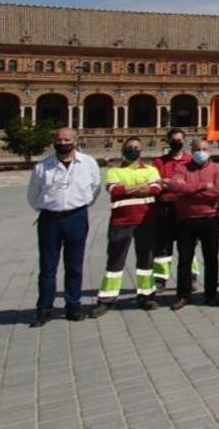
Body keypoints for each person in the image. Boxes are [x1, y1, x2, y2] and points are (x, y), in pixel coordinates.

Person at [26, 127, 100, 327]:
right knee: (48, 267)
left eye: (67, 139)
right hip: (50, 219)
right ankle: (44, 310)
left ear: (76, 141)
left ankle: (73, 306)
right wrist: (50, 207)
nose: (63, 143)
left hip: (76, 216)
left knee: (74, 265)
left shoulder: (88, 163)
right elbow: (33, 195)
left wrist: (78, 205)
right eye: (59, 139)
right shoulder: (43, 166)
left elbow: (95, 188)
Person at [91, 136, 160, 318]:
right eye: (130, 147)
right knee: (115, 261)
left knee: (146, 261)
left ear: (141, 150)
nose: (133, 150)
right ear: (123, 149)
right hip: (121, 222)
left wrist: (128, 188)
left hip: (146, 221)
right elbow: (114, 190)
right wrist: (140, 186)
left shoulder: (151, 169)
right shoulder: (114, 171)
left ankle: (146, 295)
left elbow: (154, 189)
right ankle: (106, 299)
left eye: (136, 147)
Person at [168, 137, 219, 310]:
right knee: (184, 260)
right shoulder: (182, 167)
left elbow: (217, 192)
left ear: (209, 150)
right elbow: (176, 187)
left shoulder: (217, 169)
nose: (200, 152)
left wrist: (190, 190)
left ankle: (211, 295)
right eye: (197, 149)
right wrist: (203, 186)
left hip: (209, 219)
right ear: (191, 151)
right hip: (186, 219)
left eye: (204, 149)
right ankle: (183, 295)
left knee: (211, 259)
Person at [152, 128, 195, 293]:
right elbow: (156, 183)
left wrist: (169, 183)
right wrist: (178, 184)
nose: (176, 142)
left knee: (188, 244)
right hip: (164, 207)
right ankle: (161, 279)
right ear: (168, 141)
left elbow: (192, 183)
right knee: (163, 245)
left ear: (184, 141)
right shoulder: (159, 162)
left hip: (185, 207)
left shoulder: (190, 160)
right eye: (173, 139)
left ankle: (190, 277)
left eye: (179, 139)